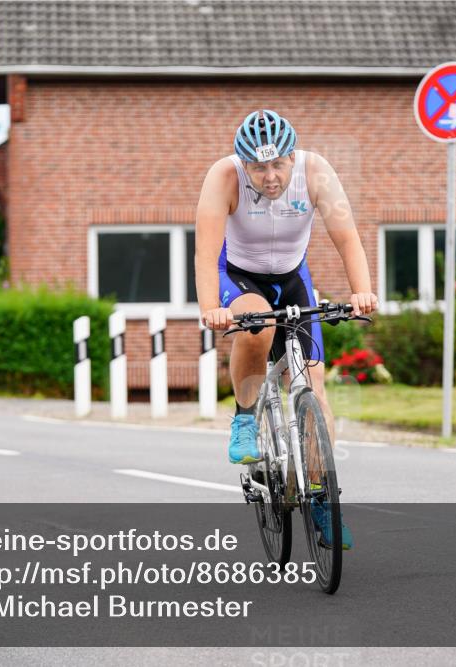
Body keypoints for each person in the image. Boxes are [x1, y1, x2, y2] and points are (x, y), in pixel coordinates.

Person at [194, 110, 378, 549]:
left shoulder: (316, 172)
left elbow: (347, 237)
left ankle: (321, 497)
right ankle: (244, 415)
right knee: (255, 324)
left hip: (294, 277)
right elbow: (204, 252)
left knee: (315, 385)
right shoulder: (223, 177)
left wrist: (363, 292)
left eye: (278, 164)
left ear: (292, 157)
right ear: (243, 163)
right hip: (238, 276)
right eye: (258, 167)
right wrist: (209, 309)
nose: (270, 176)